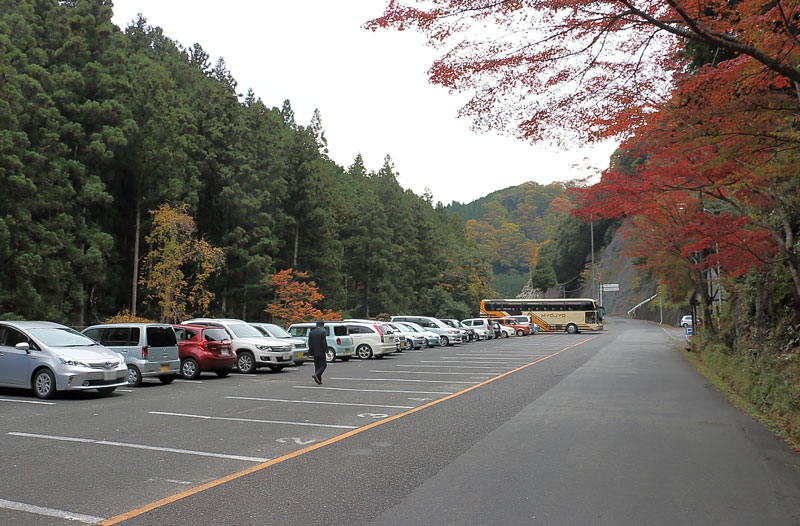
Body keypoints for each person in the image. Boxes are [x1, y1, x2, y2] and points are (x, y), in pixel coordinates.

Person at [308, 320, 327, 384]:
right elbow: (324, 342)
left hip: (314, 351)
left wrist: (310, 350)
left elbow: (309, 343)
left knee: (317, 365)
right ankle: (316, 375)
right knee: (324, 365)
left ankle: (319, 380)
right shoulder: (322, 332)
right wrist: (326, 350)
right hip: (321, 351)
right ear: (322, 325)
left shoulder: (311, 332)